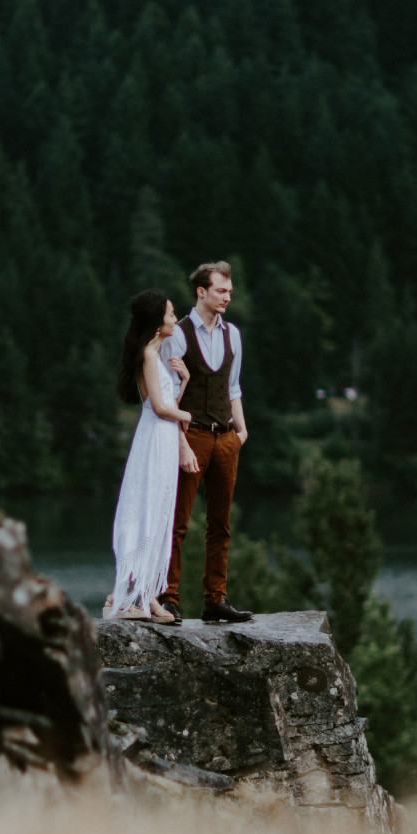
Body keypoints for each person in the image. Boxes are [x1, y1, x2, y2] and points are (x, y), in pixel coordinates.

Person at [156, 260, 253, 625]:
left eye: (229, 291)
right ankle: (169, 598)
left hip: (226, 437)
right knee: (179, 522)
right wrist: (180, 442)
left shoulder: (233, 335)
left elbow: (233, 388)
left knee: (220, 524)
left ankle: (216, 599)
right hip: (191, 434)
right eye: (221, 291)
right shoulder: (178, 335)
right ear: (202, 292)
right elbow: (168, 397)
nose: (228, 297)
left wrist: (242, 434)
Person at [105, 289, 194, 621]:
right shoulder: (147, 354)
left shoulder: (155, 355)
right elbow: (159, 408)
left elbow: (167, 403)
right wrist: (187, 417)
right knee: (144, 510)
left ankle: (146, 594)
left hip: (164, 439)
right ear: (158, 322)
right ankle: (124, 597)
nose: (175, 319)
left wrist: (183, 381)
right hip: (155, 439)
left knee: (159, 511)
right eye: (171, 314)